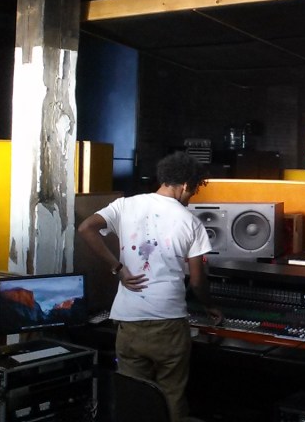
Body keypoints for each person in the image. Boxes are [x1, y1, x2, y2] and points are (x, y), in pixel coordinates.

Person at [77, 151, 222, 422]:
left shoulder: (124, 205)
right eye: (193, 192)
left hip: (129, 320)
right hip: (169, 323)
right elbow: (197, 281)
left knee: (133, 397)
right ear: (186, 185)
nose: (190, 198)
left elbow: (86, 228)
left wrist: (118, 268)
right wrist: (209, 306)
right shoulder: (191, 222)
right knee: (171, 394)